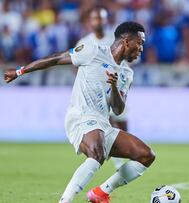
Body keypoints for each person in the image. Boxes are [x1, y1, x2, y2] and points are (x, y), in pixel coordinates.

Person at [4, 21, 155, 203]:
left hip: (102, 124)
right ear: (126, 41)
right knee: (97, 154)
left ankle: (101, 193)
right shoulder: (93, 51)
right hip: (80, 118)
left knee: (146, 155)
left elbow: (118, 109)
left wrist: (114, 87)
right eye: (140, 43)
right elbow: (56, 58)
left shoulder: (126, 73)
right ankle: (65, 200)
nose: (141, 49)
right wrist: (20, 71)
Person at [78, 7, 129, 169]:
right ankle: (117, 161)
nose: (98, 22)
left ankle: (120, 154)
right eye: (95, 19)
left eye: (101, 18)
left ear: (106, 21)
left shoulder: (113, 40)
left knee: (122, 121)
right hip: (96, 92)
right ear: (90, 21)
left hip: (116, 85)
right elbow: (76, 66)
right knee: (108, 122)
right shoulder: (85, 43)